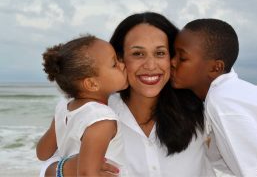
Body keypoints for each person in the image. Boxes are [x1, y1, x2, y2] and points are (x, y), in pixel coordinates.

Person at [40, 12, 216, 177]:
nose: (150, 65)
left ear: (172, 58)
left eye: (160, 53)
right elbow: (47, 161)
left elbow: (239, 159)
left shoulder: (203, 109)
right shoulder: (95, 112)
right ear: (120, 58)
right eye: (138, 54)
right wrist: (66, 169)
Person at [170, 18, 257, 177]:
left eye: (182, 58)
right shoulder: (229, 93)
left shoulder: (223, 102)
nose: (172, 62)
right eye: (173, 54)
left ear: (215, 67)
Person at [36, 35, 129, 176]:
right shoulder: (102, 119)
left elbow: (42, 153)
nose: (123, 65)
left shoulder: (64, 106)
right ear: (92, 84)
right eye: (114, 64)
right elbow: (86, 174)